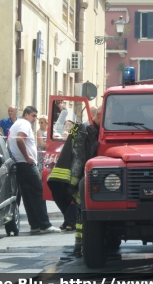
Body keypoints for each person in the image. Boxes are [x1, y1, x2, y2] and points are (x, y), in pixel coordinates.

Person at [47, 106, 101, 256]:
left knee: (80, 215)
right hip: (77, 176)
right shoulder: (85, 129)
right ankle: (79, 247)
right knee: (81, 213)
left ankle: (79, 246)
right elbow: (78, 158)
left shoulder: (87, 128)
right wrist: (74, 183)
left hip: (80, 176)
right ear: (98, 115)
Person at [8, 106, 61, 233]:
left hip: (19, 164)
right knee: (38, 193)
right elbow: (20, 139)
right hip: (26, 164)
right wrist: (27, 158)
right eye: (33, 116)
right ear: (26, 115)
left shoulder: (17, 124)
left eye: (35, 116)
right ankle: (45, 225)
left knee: (28, 196)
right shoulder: (24, 124)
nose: (34, 119)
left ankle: (35, 224)